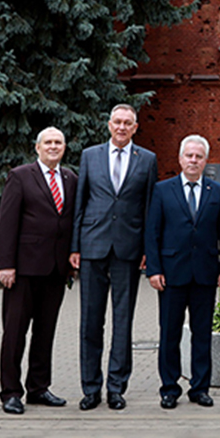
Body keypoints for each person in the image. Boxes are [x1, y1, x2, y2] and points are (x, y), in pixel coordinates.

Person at [69, 103, 157, 411]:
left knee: (123, 321)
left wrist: (148, 248)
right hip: (93, 245)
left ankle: (116, 387)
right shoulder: (90, 156)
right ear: (109, 125)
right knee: (90, 322)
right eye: (117, 122)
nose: (121, 127)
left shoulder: (147, 160)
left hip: (128, 249)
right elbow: (80, 202)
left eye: (127, 123)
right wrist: (75, 247)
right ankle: (90, 388)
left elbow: (148, 208)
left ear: (135, 127)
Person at [145, 135, 220, 409]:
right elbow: (153, 232)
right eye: (189, 156)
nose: (194, 161)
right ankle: (169, 388)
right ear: (180, 159)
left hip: (205, 273)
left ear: (205, 161)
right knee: (169, 333)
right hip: (171, 273)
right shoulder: (162, 189)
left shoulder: (216, 191)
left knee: (202, 333)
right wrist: (154, 269)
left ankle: (200, 388)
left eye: (199, 156)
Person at [0, 127, 78, 415]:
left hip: (57, 270)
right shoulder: (20, 176)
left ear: (64, 148)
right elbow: (7, 223)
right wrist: (6, 264)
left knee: (45, 332)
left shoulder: (70, 178)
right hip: (23, 269)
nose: (53, 147)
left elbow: (70, 221)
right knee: (15, 332)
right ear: (38, 147)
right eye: (48, 143)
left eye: (58, 142)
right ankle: (10, 392)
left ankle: (38, 388)